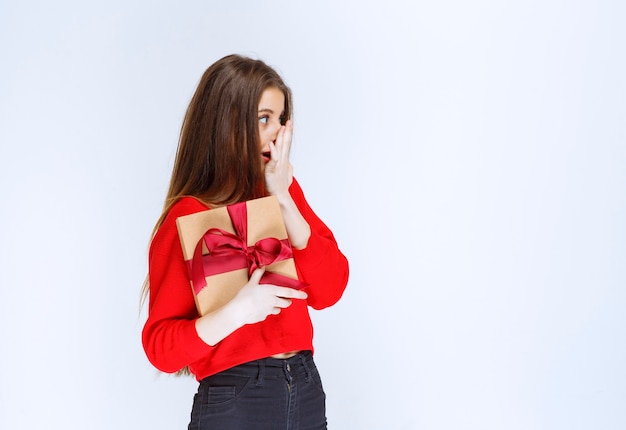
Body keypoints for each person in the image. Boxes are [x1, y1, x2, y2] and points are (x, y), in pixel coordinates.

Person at [141, 54, 349, 429]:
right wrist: (237, 312)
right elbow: (160, 348)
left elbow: (331, 289)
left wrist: (283, 199)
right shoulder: (188, 214)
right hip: (236, 397)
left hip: (304, 387)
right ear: (226, 124)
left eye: (281, 119)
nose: (277, 132)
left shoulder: (284, 193)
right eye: (264, 119)